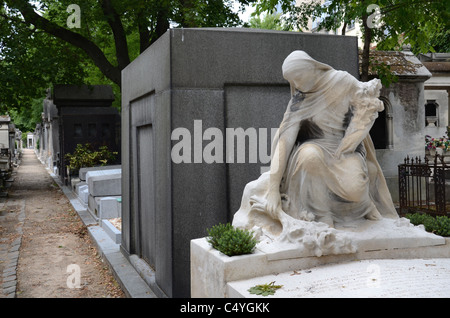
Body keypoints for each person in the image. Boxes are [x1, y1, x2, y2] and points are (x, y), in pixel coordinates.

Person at [233, 51, 398, 231]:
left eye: (298, 78)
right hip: (316, 147)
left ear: (312, 68)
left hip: (345, 150)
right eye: (292, 81)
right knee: (309, 156)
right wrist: (273, 188)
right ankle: (322, 216)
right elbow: (285, 140)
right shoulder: (300, 98)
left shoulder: (343, 81)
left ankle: (366, 206)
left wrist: (368, 109)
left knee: (355, 188)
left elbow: (366, 100)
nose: (295, 84)